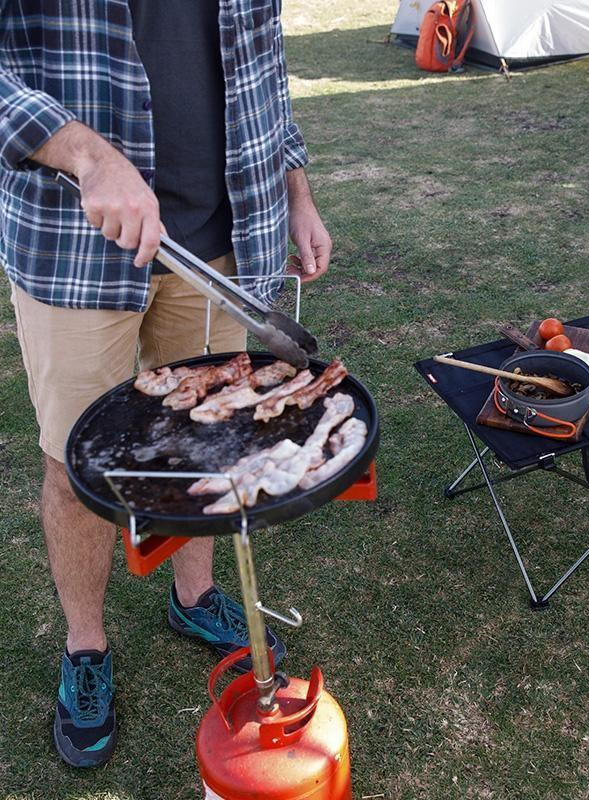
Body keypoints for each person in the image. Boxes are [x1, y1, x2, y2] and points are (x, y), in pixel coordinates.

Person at [0, 1, 331, 768]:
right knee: (77, 464)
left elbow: (263, 61)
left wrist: (297, 191)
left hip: (218, 241)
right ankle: (86, 647)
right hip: (75, 246)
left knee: (203, 441)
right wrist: (84, 152)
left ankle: (193, 596)